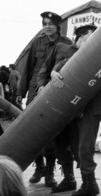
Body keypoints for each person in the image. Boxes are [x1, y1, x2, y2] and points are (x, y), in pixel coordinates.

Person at [37, 24, 97, 193]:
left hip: (79, 110)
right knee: (61, 145)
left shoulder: (93, 54)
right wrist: (43, 85)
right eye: (91, 36)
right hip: (58, 107)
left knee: (80, 147)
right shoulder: (61, 48)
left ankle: (89, 182)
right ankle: (69, 179)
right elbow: (45, 69)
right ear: (81, 36)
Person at [16, 11, 72, 187]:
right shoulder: (37, 42)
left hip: (54, 92)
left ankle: (50, 172)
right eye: (44, 24)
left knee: (52, 133)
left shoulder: (66, 44)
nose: (46, 27)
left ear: (58, 26)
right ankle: (39, 166)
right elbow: (28, 68)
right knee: (33, 131)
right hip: (34, 91)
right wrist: (21, 91)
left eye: (50, 24)